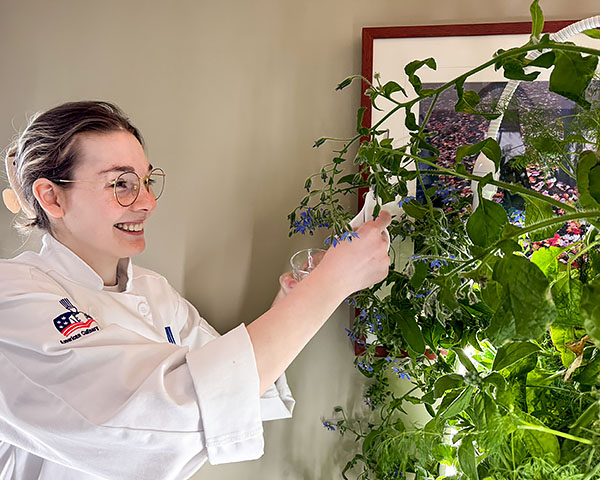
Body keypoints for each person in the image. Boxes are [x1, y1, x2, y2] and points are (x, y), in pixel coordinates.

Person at [0, 101, 391, 480]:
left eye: (147, 181)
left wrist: (296, 298)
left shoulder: (155, 292)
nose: (148, 202)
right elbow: (168, 413)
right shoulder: (13, 296)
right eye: (121, 184)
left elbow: (234, 389)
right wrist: (331, 284)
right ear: (51, 197)